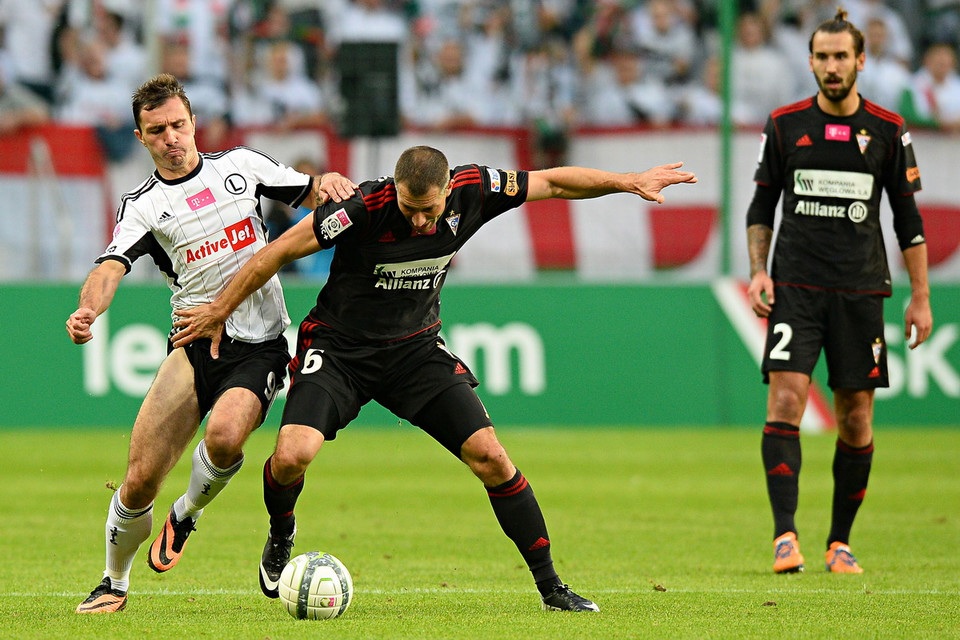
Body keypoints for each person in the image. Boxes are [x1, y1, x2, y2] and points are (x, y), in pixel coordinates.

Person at [171, 145, 697, 612]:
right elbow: (275, 253)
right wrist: (220, 310)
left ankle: (551, 586)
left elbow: (554, 181)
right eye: (409, 207)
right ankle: (281, 536)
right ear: (395, 190)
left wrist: (628, 180)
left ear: (449, 190)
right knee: (291, 456)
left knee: (492, 457)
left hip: (415, 352)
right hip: (340, 351)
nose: (421, 221)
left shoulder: (477, 189)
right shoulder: (362, 209)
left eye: (430, 209)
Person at [66, 73, 355, 614]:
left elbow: (308, 189)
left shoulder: (241, 168)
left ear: (194, 123)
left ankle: (187, 513)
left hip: (261, 343)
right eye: (157, 130)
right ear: (141, 138)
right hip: (194, 344)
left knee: (224, 438)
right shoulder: (143, 207)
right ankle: (113, 582)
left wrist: (331, 182)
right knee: (137, 480)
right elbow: (110, 266)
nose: (171, 137)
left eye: (178, 124)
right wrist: (88, 308)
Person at [745, 9, 932, 575]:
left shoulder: (889, 130)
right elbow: (760, 206)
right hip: (795, 289)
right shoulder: (783, 126)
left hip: (860, 292)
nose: (831, 66)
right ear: (810, 62)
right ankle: (785, 537)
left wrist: (920, 296)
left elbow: (908, 219)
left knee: (855, 419)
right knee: (785, 402)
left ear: (860, 61)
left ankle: (839, 542)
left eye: (840, 56)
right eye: (822, 57)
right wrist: (759, 269)